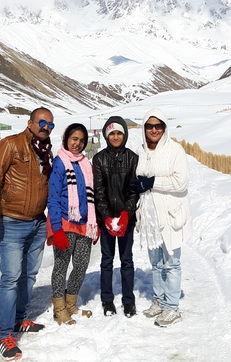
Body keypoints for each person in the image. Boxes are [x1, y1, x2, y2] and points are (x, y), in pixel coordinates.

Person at [0, 107, 55, 360]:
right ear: (30, 123)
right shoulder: (10, 145)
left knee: (29, 275)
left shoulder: (46, 151)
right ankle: (4, 336)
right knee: (11, 277)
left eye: (50, 124)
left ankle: (18, 320)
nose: (46, 127)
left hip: (37, 222)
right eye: (42, 122)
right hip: (12, 222)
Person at [132, 108, 193, 327]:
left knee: (171, 262)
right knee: (155, 262)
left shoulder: (175, 150)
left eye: (158, 126)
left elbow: (180, 182)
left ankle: (172, 307)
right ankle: (159, 300)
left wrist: (152, 182)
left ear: (164, 128)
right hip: (148, 214)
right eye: (150, 126)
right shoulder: (139, 150)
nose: (154, 129)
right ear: (144, 128)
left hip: (168, 214)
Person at [47, 123, 99, 325]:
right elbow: (52, 198)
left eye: (82, 140)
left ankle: (70, 303)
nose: (78, 144)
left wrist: (96, 223)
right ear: (66, 139)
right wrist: (56, 229)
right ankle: (59, 308)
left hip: (85, 223)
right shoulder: (60, 162)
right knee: (61, 266)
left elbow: (91, 195)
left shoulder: (86, 164)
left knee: (81, 265)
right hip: (65, 222)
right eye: (74, 139)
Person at [92, 116, 139, 317]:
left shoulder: (133, 158)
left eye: (119, 133)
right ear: (106, 135)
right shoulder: (99, 159)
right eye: (112, 133)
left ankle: (128, 300)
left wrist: (126, 214)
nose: (116, 136)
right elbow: (98, 191)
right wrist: (107, 217)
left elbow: (133, 190)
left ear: (125, 134)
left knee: (126, 260)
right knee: (107, 260)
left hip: (126, 220)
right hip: (107, 220)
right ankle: (107, 299)